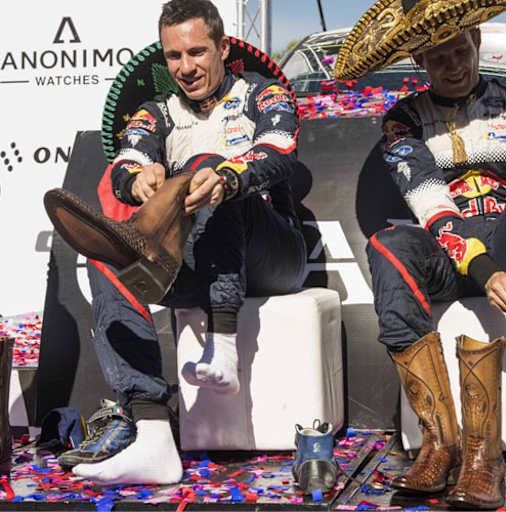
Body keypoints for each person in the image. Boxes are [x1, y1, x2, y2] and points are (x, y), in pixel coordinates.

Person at [334, 1, 506, 509]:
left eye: (461, 51)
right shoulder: (401, 122)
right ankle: (440, 443)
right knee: (387, 246)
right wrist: (483, 270)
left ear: (477, 41)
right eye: (439, 60)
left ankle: (487, 458)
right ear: (420, 64)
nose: (454, 66)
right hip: (451, 254)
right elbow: (429, 205)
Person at [45, 0, 305, 485]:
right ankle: (153, 434)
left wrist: (226, 175)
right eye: (173, 56)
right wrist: (138, 182)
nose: (186, 68)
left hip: (274, 254)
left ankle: (223, 345)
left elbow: (279, 151)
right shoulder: (155, 112)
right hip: (194, 259)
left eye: (197, 52)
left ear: (224, 47)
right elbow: (126, 158)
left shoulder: (261, 94)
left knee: (211, 165)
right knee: (107, 260)